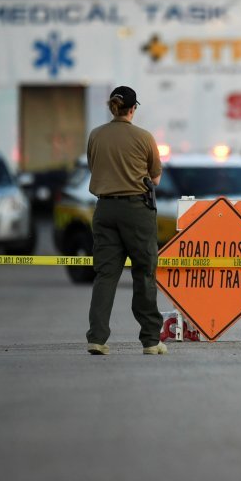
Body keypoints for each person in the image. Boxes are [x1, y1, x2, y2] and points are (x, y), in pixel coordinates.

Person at [85, 86, 166, 356]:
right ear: (133, 109)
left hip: (104, 209)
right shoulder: (144, 137)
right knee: (144, 272)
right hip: (136, 211)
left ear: (112, 107)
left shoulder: (96, 136)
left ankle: (97, 337)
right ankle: (151, 340)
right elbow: (155, 179)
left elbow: (93, 167)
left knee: (105, 274)